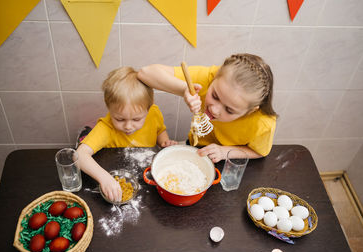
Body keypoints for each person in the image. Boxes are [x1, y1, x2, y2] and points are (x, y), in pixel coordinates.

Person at [137, 53, 277, 163]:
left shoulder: (263, 123)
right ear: (215, 77)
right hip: (195, 145)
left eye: (229, 110)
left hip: (228, 159)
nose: (214, 110)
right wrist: (184, 89)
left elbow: (259, 152)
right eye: (215, 96)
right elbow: (145, 73)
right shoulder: (210, 77)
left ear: (251, 111)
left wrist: (224, 152)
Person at [77, 67, 178, 202]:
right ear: (109, 109)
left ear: (148, 109)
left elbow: (160, 130)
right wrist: (104, 178)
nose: (128, 126)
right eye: (120, 119)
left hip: (147, 182)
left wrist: (164, 142)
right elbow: (79, 156)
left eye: (136, 119)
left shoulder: (153, 113)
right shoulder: (106, 127)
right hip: (114, 173)